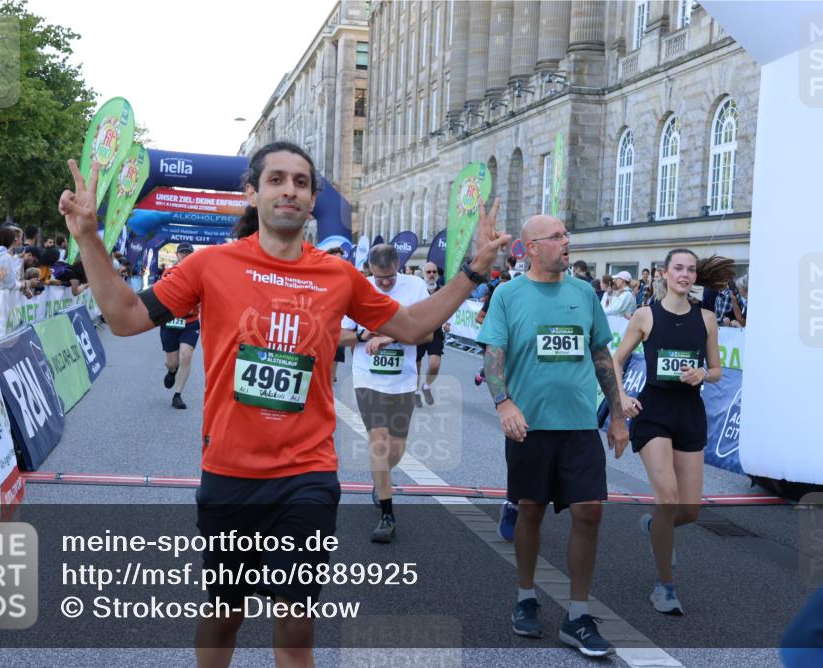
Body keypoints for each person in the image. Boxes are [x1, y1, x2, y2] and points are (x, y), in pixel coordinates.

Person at [58, 140, 510, 667]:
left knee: (296, 627)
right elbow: (126, 318)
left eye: (300, 182)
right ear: (251, 193)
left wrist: (474, 271)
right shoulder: (212, 266)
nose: (289, 190)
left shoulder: (338, 275)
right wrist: (88, 238)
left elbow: (411, 325)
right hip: (230, 472)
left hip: (306, 474)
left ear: (314, 198)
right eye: (276, 179)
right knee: (226, 611)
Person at [477, 214, 626, 658]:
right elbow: (493, 353)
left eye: (566, 234)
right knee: (530, 509)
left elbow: (600, 352)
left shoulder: (584, 293)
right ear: (531, 247)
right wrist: (504, 403)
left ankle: (577, 615)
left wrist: (616, 416)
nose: (567, 242)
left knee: (589, 512)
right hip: (531, 426)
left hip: (578, 423)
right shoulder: (508, 294)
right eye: (557, 236)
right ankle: (526, 596)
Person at [610, 248, 722, 616]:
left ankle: (656, 524)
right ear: (664, 273)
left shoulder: (706, 318)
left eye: (691, 270)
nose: (685, 275)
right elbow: (616, 360)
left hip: (690, 413)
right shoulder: (645, 315)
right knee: (669, 499)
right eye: (679, 269)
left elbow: (717, 369)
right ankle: (665, 587)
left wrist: (703, 373)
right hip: (654, 411)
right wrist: (622, 396)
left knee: (688, 511)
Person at [341, 244, 430, 543]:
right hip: (367, 376)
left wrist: (389, 336)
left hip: (403, 378)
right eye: (380, 278)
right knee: (378, 441)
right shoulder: (357, 288)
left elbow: (428, 332)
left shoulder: (415, 286)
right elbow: (339, 336)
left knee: (396, 447)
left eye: (390, 277)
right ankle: (387, 514)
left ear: (398, 267)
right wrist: (364, 335)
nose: (386, 284)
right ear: (369, 270)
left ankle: (381, 481)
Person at [158, 243, 201, 410]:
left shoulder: (199, 274)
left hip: (190, 322)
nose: (185, 255)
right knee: (172, 362)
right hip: (170, 321)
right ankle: (172, 371)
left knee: (186, 355)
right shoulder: (169, 272)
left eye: (188, 253)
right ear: (176, 255)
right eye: (182, 252)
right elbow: (161, 295)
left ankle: (178, 395)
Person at [415, 261, 451, 405]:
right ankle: (415, 392)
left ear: (437, 274)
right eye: (428, 272)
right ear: (423, 273)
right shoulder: (417, 290)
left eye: (433, 272)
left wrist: (448, 323)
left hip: (435, 331)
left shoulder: (443, 291)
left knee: (435, 364)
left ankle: (426, 386)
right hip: (418, 331)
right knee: (415, 365)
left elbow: (450, 308)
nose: (431, 275)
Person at [325, 246, 348, 382]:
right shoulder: (318, 277)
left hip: (339, 328)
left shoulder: (347, 279)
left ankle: (329, 392)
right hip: (320, 328)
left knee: (334, 363)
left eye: (340, 259)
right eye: (334, 259)